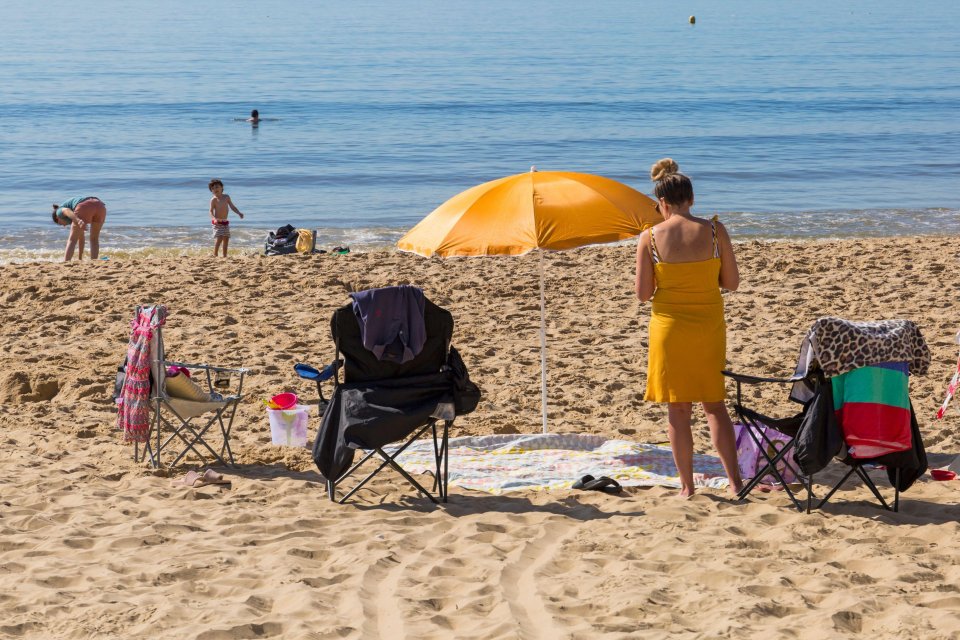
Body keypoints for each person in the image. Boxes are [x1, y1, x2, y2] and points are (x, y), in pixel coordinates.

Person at [635, 158, 743, 499]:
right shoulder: (715, 231)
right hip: (708, 326)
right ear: (692, 199)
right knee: (715, 406)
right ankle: (737, 483)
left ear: (662, 204)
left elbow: (643, 294)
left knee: (678, 409)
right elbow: (732, 283)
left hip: (669, 328)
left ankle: (687, 487)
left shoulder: (649, 237)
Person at [50, 196, 107, 261]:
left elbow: (66, 210)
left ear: (57, 218)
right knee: (94, 239)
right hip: (100, 205)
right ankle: (94, 261)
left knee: (72, 240)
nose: (63, 226)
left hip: (84, 206)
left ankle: (66, 261)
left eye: (60, 223)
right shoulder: (72, 216)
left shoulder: (58, 211)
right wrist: (80, 258)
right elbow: (81, 238)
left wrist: (78, 220)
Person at [208, 179, 245, 257]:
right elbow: (210, 211)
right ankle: (215, 254)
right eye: (213, 188)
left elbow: (232, 207)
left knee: (226, 238)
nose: (215, 189)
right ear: (211, 191)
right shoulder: (213, 200)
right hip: (217, 222)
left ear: (222, 187)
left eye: (217, 187)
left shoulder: (226, 197)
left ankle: (225, 255)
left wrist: (239, 213)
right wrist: (214, 218)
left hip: (225, 222)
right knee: (219, 238)